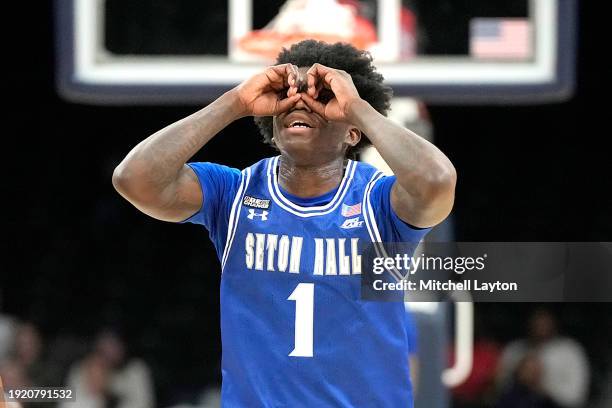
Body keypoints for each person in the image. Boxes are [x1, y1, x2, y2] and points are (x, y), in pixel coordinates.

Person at [113, 40, 456, 407]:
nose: (301, 101)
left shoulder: (378, 202)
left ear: (352, 133)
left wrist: (356, 107)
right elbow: (134, 179)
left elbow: (438, 181)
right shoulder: (233, 193)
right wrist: (234, 103)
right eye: (288, 93)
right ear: (273, 129)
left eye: (322, 96)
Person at [496, 309, 590, 408]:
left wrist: (542, 389)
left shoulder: (570, 350)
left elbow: (576, 397)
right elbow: (498, 387)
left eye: (544, 323)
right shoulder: (515, 349)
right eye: (536, 322)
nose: (540, 326)